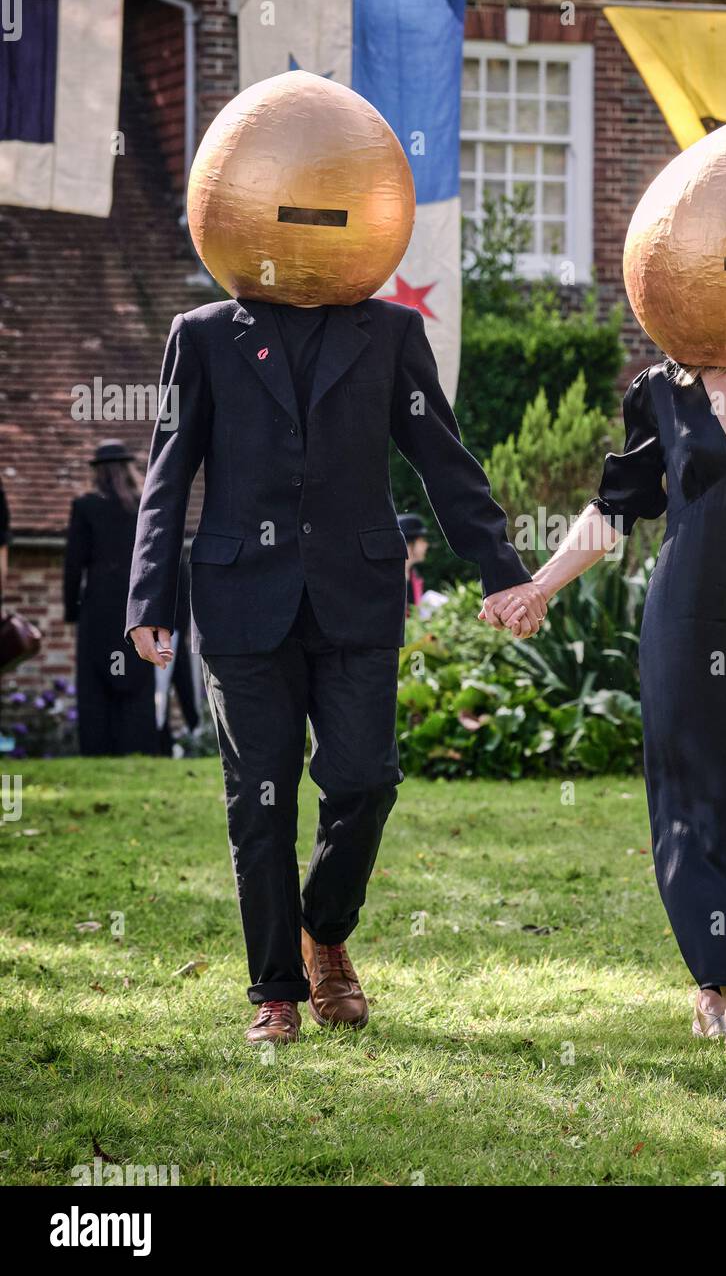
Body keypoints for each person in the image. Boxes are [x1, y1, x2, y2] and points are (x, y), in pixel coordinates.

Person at [126, 72, 545, 1046]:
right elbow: (166, 472)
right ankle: (275, 990)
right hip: (240, 599)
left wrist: (502, 568)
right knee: (259, 798)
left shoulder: (393, 332)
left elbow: (444, 459)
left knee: (365, 781)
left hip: (357, 595)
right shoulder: (203, 338)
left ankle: (325, 930)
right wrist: (147, 592)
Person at [486, 122, 726, 1060]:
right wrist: (538, 584)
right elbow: (614, 512)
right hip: (684, 621)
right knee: (694, 799)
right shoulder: (660, 394)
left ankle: (712, 983)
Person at [64, 441, 158, 756]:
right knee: (137, 676)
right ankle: (137, 745)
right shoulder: (143, 505)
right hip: (136, 604)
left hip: (99, 605)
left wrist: (71, 612)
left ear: (98, 472)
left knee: (95, 681)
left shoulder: (86, 506)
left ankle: (97, 746)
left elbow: (73, 563)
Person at [398, 512, 428, 613]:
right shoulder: (389, 578)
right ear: (409, 543)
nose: (426, 545)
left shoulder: (415, 577)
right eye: (421, 540)